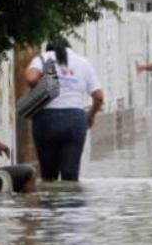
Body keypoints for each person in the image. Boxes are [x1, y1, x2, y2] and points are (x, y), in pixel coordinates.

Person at [24, 39, 103, 181]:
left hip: (47, 120)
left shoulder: (44, 58)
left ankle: (51, 195)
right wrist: (91, 115)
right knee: (71, 176)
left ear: (48, 49)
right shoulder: (83, 62)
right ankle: (70, 194)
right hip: (75, 120)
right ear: (69, 48)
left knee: (49, 177)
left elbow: (30, 78)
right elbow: (98, 97)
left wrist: (47, 86)